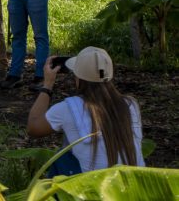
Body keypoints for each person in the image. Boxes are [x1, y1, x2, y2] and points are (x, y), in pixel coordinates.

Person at [27, 47, 144, 176]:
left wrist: (47, 84)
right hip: (133, 186)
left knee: (62, 158)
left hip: (92, 190)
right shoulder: (130, 105)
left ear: (78, 78)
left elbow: (33, 127)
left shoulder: (68, 108)